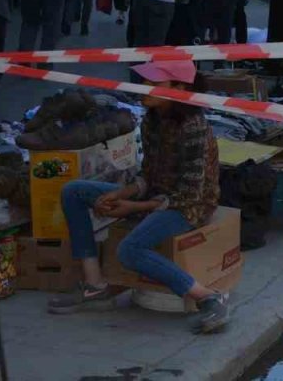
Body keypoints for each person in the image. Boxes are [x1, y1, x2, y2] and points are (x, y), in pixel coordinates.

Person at [49, 59, 230, 334]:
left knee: (130, 251)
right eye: (146, 82)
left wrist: (131, 206)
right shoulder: (152, 120)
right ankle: (95, 285)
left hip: (189, 206)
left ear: (180, 88)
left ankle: (208, 296)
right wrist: (123, 193)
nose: (144, 88)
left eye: (154, 84)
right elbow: (149, 175)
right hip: (158, 196)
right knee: (73, 191)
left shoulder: (194, 129)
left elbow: (188, 196)